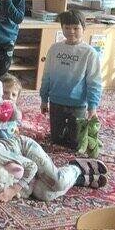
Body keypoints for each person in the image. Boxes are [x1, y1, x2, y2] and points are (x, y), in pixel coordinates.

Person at [0, 74, 108, 202]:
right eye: (5, 93)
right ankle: (78, 180)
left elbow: (31, 166)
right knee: (43, 194)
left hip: (24, 148)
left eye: (13, 94)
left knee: (59, 182)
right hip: (14, 159)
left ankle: (76, 168)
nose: (8, 97)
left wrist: (12, 190)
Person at [40, 9, 102, 149]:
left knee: (75, 143)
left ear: (83, 28)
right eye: (67, 28)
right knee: (56, 140)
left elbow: (94, 82)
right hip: (56, 101)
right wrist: (44, 99)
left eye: (76, 28)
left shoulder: (90, 53)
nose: (71, 31)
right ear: (62, 28)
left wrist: (92, 107)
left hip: (77, 104)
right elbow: (47, 75)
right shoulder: (54, 49)